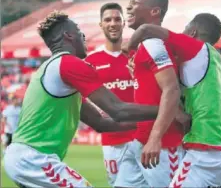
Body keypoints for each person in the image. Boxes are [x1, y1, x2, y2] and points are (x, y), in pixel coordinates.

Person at [3, 10, 161, 188]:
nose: (83, 37)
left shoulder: (50, 68)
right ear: (68, 35)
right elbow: (117, 110)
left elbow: (101, 123)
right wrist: (166, 111)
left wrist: (153, 123)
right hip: (34, 158)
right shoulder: (70, 64)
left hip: (22, 157)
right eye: (79, 32)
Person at [124, 13, 221, 187]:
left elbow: (145, 29)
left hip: (204, 153)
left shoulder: (195, 47)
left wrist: (129, 50)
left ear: (192, 32)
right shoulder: (213, 58)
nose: (181, 33)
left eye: (184, 30)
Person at [114, 0, 187, 187]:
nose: (128, 7)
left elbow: (171, 90)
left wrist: (155, 138)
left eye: (135, 3)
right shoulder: (145, 47)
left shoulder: (154, 44)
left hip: (162, 147)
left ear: (154, 11)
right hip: (140, 142)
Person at [85, 3, 137, 186]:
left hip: (142, 138)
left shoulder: (137, 55)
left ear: (124, 23)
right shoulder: (91, 62)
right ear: (101, 25)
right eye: (107, 19)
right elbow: (81, 99)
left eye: (117, 19)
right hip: (112, 142)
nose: (112, 23)